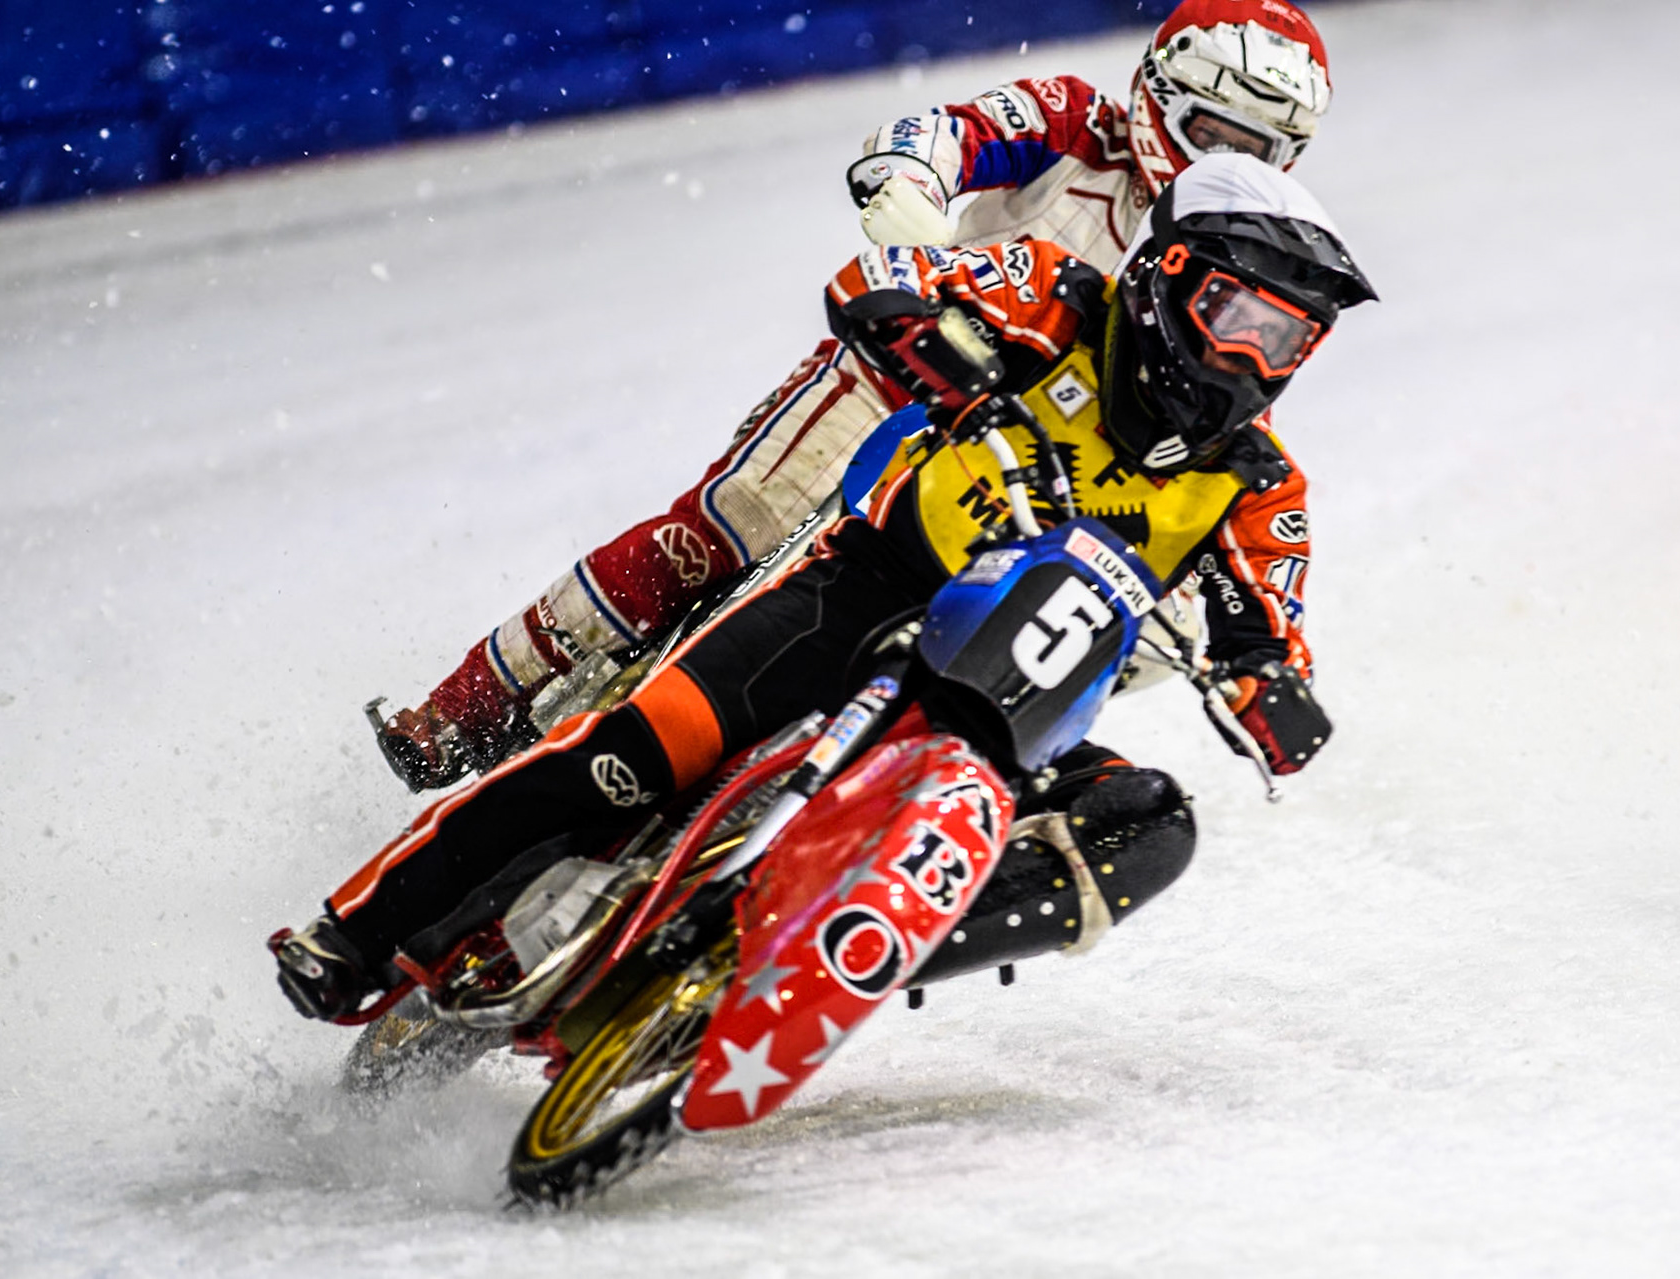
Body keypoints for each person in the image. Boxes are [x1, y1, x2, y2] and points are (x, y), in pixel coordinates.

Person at [276, 153, 1375, 1020]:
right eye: (1245, 319)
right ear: (1172, 280)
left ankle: (865, 952)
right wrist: (970, 384)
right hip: (864, 594)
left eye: (1292, 341)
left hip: (1011, 698)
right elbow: (877, 283)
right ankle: (357, 929)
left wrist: (1272, 699)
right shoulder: (1051, 298)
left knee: (1152, 828)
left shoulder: (1258, 485)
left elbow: (1267, 637)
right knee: (631, 752)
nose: (1255, 361)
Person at [376, 0, 1339, 791]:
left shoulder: (1242, 243)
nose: (1236, 161)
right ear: (1160, 92)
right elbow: (935, 134)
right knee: (723, 529)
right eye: (1220, 133)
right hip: (911, 373)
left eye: (1264, 149)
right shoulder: (1073, 120)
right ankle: (471, 704)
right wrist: (911, 194)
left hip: (1038, 468)